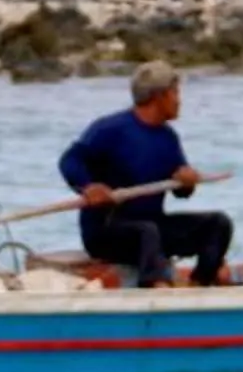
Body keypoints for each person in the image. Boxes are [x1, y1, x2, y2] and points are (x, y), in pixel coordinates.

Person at [58, 62, 231, 288]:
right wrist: (88, 187)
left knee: (218, 223)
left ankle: (200, 283)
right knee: (146, 231)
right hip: (107, 233)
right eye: (175, 93)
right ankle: (156, 286)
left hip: (153, 230)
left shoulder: (168, 138)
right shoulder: (110, 129)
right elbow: (70, 160)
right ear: (158, 97)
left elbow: (181, 191)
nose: (179, 100)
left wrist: (186, 182)